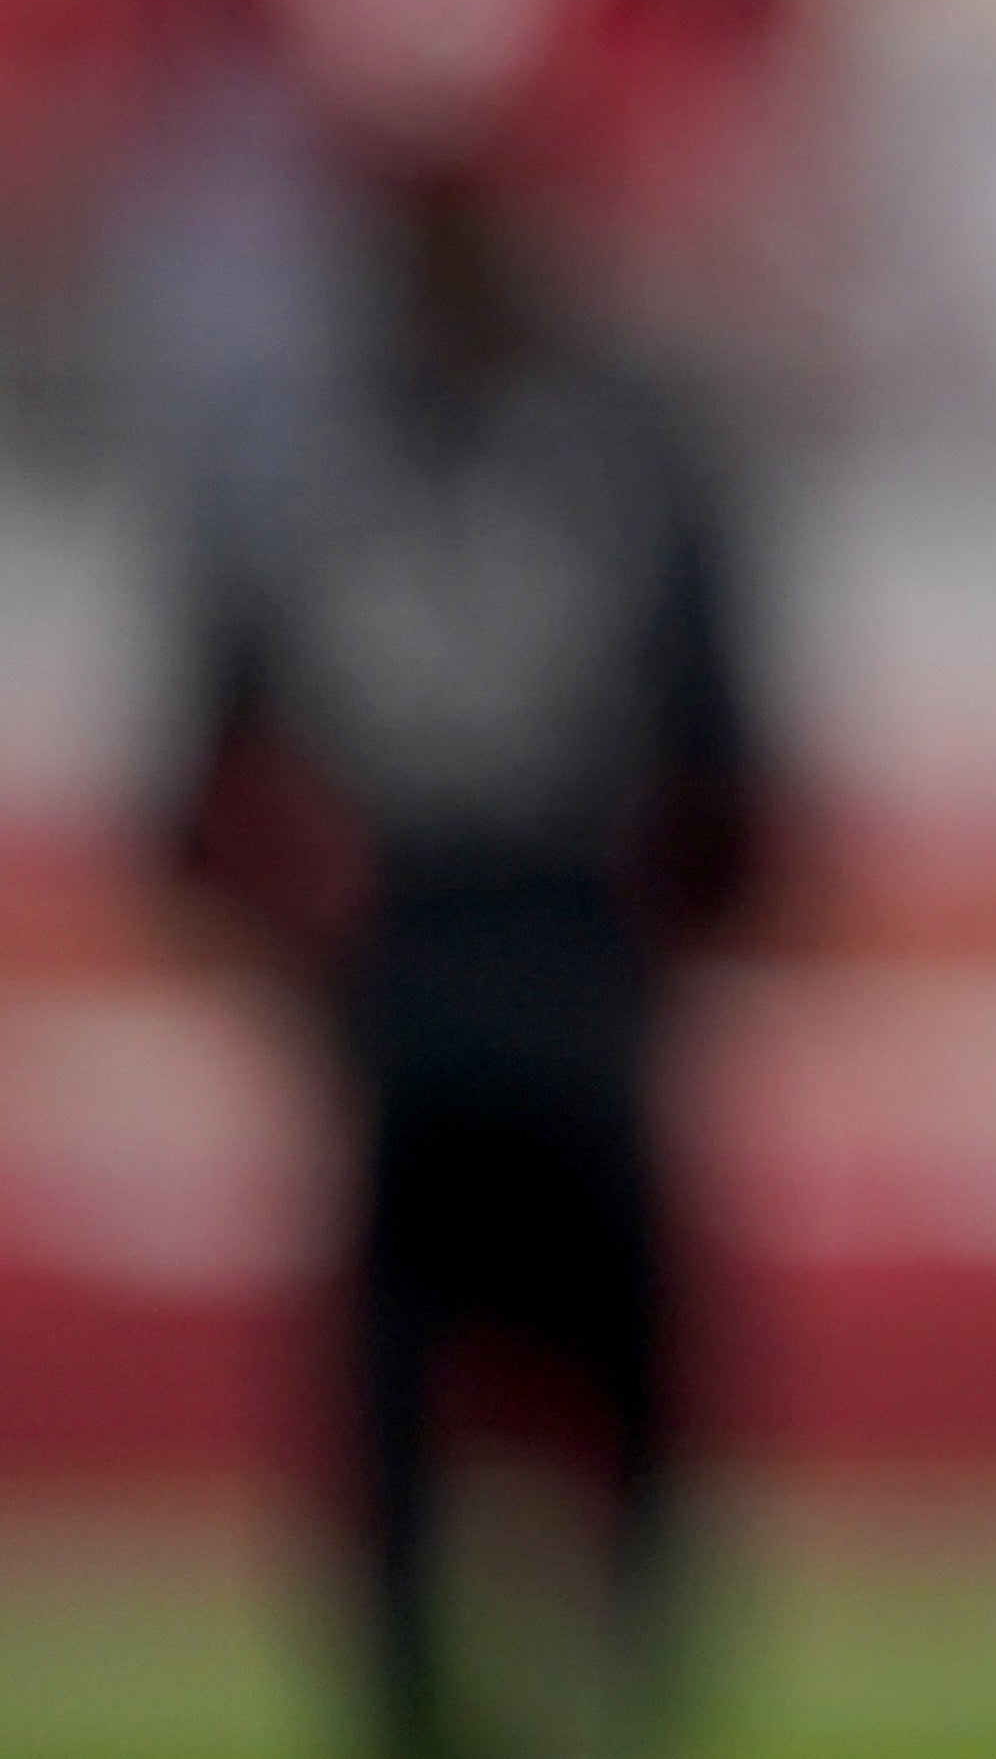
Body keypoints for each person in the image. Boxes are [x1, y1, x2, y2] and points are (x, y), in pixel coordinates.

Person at [157, 146, 768, 1759]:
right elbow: (739, 773)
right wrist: (648, 957)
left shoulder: (291, 459)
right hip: (580, 1001)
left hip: (404, 1010)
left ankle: (423, 1710)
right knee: (631, 1430)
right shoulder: (633, 451)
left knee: (392, 1457)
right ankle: (616, 1697)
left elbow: (196, 800)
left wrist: (320, 973)